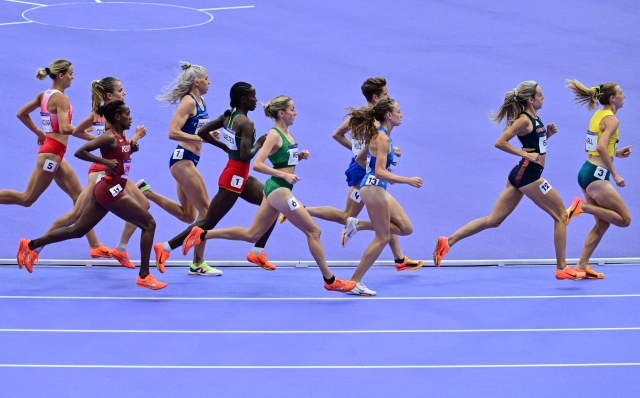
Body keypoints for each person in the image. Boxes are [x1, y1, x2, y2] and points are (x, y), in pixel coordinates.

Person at [166, 95, 356, 293]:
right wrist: (283, 174)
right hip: (279, 191)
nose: (296, 112)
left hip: (281, 188)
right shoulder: (274, 134)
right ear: (281, 113)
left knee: (252, 234)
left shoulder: (287, 133)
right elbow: (257, 164)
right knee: (314, 231)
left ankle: (202, 233)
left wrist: (299, 157)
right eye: (292, 109)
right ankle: (330, 279)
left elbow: (282, 157)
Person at [433, 81, 585, 280]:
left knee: (494, 220)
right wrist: (524, 154)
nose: (543, 98)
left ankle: (447, 241)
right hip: (528, 175)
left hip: (522, 174)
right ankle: (562, 268)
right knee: (560, 216)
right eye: (540, 95)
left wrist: (547, 135)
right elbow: (500, 142)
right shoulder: (523, 119)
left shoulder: (534, 117)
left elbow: (536, 145)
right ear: (530, 99)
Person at [16, 101, 166, 290]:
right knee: (149, 224)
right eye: (127, 114)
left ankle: (31, 245)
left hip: (106, 189)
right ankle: (144, 276)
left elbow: (122, 154)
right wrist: (104, 161)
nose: (131, 118)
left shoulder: (121, 137)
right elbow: (80, 152)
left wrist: (130, 150)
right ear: (118, 117)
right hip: (111, 191)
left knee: (78, 230)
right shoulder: (109, 137)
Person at [283, 77, 423, 271]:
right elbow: (371, 145)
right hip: (365, 172)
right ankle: (300, 209)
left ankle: (399, 259)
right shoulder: (377, 120)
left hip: (366, 168)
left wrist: (377, 150)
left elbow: (337, 134)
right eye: (385, 94)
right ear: (376, 97)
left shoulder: (359, 115)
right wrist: (375, 153)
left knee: (386, 217)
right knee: (348, 216)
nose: (389, 96)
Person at [153, 82, 277, 273]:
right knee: (207, 222)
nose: (256, 100)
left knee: (273, 203)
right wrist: (261, 142)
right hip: (234, 178)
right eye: (253, 96)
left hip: (238, 174)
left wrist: (223, 146)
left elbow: (202, 132)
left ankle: (258, 251)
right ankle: (165, 247)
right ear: (244, 99)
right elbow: (246, 156)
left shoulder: (228, 116)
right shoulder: (246, 123)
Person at [1, 59, 111, 258]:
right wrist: (96, 139)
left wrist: (40, 133)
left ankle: (95, 245)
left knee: (79, 196)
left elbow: (22, 114)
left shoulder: (45, 95)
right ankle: (38, 246)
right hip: (52, 155)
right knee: (27, 199)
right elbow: (66, 128)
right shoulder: (61, 99)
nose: (73, 77)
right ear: (61, 75)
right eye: (70, 73)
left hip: (54, 152)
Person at [39, 77, 149, 266]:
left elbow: (79, 132)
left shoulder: (99, 113)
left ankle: (121, 249)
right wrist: (136, 137)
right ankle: (35, 247)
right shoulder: (114, 116)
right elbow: (117, 146)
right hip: (104, 171)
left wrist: (98, 142)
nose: (124, 93)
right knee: (75, 216)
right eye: (120, 90)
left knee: (143, 204)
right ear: (109, 95)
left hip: (112, 171)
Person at [145, 62, 227, 275]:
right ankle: (197, 263)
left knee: (187, 215)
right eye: (207, 79)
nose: (210, 82)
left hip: (189, 159)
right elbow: (173, 132)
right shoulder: (188, 102)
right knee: (208, 211)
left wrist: (210, 135)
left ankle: (146, 192)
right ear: (197, 82)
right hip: (183, 161)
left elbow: (198, 129)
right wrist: (200, 137)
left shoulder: (202, 101)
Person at [341, 99, 423, 296]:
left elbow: (362, 160)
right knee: (383, 236)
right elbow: (378, 172)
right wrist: (406, 180)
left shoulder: (383, 136)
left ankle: (357, 224)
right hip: (374, 188)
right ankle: (355, 282)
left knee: (406, 228)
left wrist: (386, 175)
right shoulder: (383, 138)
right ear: (388, 115)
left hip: (377, 187)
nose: (401, 115)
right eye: (398, 111)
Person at [564, 80, 632, 279]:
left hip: (586, 171)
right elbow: (601, 147)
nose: (624, 96)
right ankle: (582, 207)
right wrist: (616, 173)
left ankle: (581, 267)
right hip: (598, 176)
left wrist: (616, 153)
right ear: (612, 98)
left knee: (602, 224)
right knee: (625, 220)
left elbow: (594, 147)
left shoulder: (598, 115)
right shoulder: (612, 120)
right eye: (621, 93)